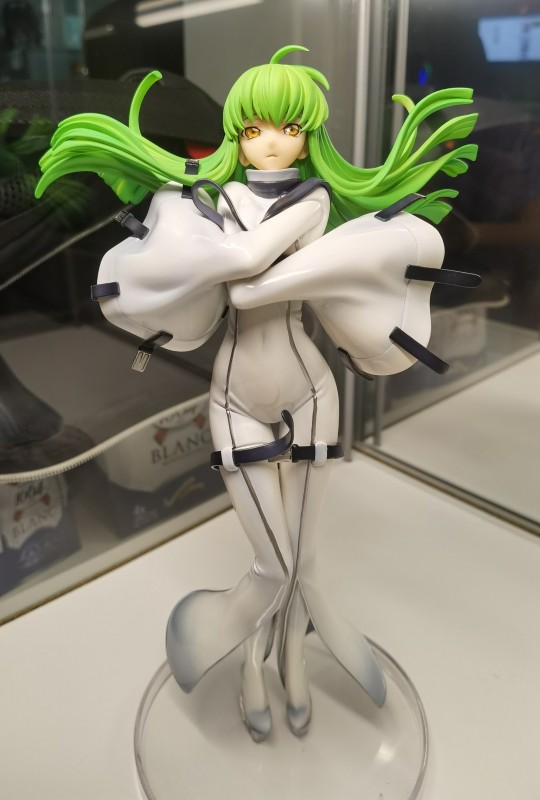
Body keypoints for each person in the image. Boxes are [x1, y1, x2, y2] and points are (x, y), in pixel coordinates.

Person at [36, 45, 477, 741]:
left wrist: (225, 265)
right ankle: (249, 659)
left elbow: (244, 281)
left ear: (309, 135)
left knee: (300, 558)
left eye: (289, 128)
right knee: (278, 564)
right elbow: (240, 280)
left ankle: (290, 661)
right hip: (233, 398)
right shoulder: (215, 200)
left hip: (311, 392)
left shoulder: (313, 201)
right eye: (253, 128)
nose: (271, 142)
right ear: (236, 135)